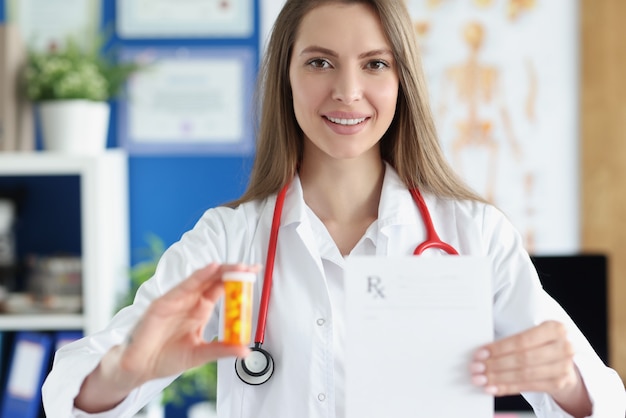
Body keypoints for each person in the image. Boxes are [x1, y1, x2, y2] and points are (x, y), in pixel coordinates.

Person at [42, 0, 625, 417]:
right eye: (319, 62)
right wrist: (125, 372)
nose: (347, 90)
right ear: (286, 78)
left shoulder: (473, 234)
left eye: (375, 63)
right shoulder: (229, 240)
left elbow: (605, 403)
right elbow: (68, 390)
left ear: (402, 81)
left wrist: (564, 380)